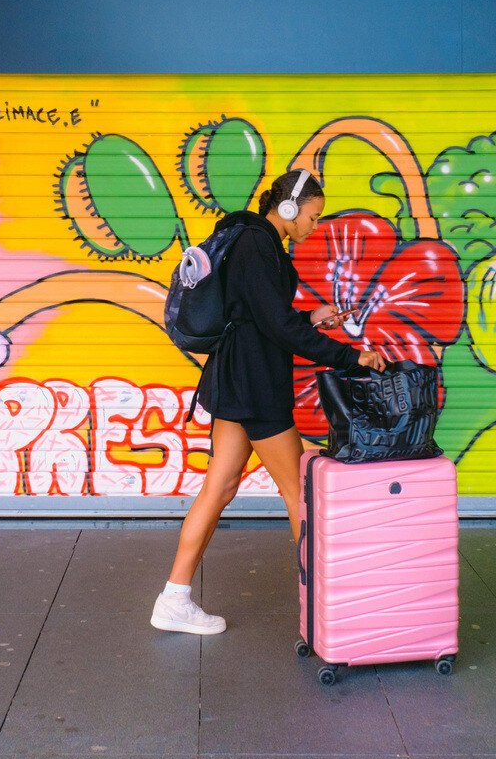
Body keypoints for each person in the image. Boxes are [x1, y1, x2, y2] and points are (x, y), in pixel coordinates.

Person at [151, 168, 385, 635]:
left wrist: (310, 317)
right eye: (313, 217)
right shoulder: (257, 246)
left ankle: (173, 599)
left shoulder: (250, 242)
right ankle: (325, 607)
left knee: (219, 487)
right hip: (255, 384)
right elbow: (275, 328)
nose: (314, 227)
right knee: (298, 491)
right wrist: (352, 356)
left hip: (237, 378)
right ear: (289, 209)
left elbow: (262, 316)